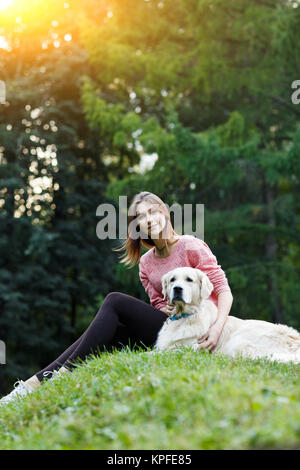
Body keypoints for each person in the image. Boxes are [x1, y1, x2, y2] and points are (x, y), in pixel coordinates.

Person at [0, 191, 233, 405]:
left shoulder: (190, 245)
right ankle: (30, 386)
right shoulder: (146, 263)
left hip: (197, 325)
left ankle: (60, 375)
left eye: (153, 211)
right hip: (168, 329)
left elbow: (223, 289)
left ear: (165, 213)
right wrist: (166, 309)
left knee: (114, 301)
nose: (149, 219)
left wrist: (217, 328)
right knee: (107, 331)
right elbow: (159, 305)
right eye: (141, 216)